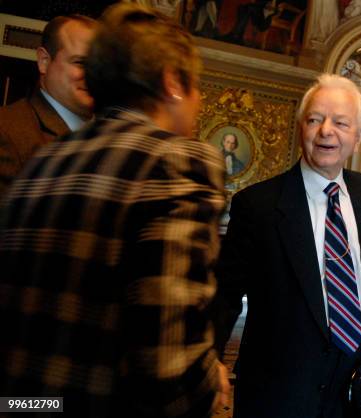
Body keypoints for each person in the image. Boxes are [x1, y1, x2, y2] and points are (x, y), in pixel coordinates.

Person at [0, 4, 229, 417]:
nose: (200, 101)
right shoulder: (175, 161)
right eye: (199, 85)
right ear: (173, 82)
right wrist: (207, 388)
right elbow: (169, 368)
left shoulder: (43, 163)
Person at [214, 74, 361, 418]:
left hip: (350, 386)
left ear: (358, 138)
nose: (326, 130)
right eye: (315, 119)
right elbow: (224, 293)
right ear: (301, 128)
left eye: (341, 123)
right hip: (277, 392)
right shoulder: (257, 205)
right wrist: (211, 358)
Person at [0, 14, 96, 196]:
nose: (93, 75)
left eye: (99, 66)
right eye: (80, 63)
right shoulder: (7, 131)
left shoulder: (112, 135)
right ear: (44, 61)